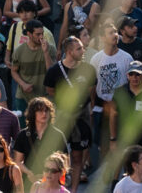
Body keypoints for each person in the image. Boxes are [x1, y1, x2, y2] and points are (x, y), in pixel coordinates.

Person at [43, 36, 95, 189]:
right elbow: (50, 90)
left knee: (78, 155)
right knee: (59, 155)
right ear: (69, 52)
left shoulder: (88, 69)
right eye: (79, 48)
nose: (83, 50)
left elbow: (90, 90)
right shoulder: (54, 71)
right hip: (62, 116)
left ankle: (73, 190)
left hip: (81, 116)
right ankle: (60, 188)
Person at [88, 22, 131, 159]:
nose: (115, 35)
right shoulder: (96, 59)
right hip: (102, 106)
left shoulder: (126, 58)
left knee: (122, 145)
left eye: (115, 32)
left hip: (121, 107)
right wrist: (92, 106)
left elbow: (132, 83)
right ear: (102, 37)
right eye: (110, 33)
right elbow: (92, 85)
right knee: (103, 146)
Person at [13, 97, 68, 182]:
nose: (44, 113)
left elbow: (65, 161)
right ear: (33, 113)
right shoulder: (23, 135)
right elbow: (17, 161)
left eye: (46, 110)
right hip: (29, 182)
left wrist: (49, 174)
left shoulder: (58, 135)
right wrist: (29, 173)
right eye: (40, 111)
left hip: (52, 182)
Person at [10, 19, 57, 112]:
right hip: (24, 96)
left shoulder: (50, 49)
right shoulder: (19, 51)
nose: (41, 37)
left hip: (45, 96)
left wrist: (46, 53)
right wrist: (23, 84)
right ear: (29, 34)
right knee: (23, 125)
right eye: (38, 34)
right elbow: (14, 71)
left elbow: (51, 72)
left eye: (42, 33)